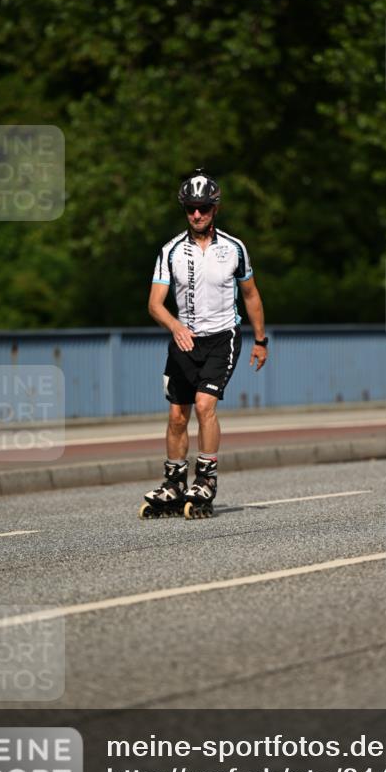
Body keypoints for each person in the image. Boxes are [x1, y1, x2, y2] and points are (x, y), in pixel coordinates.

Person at [140, 168, 268, 518]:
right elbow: (154, 304)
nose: (197, 214)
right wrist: (174, 325)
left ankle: (206, 480)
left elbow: (251, 294)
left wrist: (260, 339)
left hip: (222, 338)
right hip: (184, 341)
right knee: (176, 415)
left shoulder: (234, 248)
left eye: (204, 207)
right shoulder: (170, 252)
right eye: (190, 208)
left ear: (215, 208)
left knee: (204, 405)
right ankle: (174, 482)